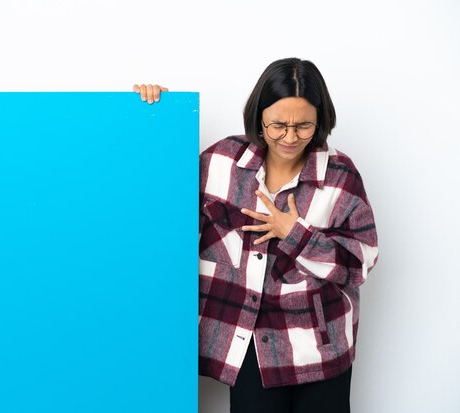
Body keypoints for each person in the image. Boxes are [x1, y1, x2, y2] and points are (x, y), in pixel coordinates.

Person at [135, 57, 378, 413]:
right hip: (247, 342)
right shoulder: (220, 161)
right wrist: (160, 121)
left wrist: (295, 234)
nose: (290, 137)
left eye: (304, 126)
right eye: (279, 125)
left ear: (320, 121)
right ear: (259, 116)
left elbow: (361, 261)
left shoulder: (339, 174)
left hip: (319, 347)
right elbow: (157, 206)